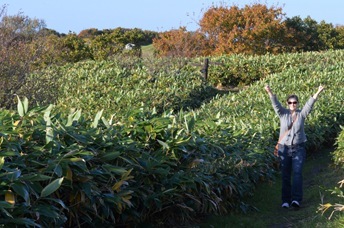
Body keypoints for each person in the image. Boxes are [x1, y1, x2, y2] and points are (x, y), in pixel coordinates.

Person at [264, 85, 324, 208]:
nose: (292, 104)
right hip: (284, 148)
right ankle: (285, 200)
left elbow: (310, 104)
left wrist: (318, 91)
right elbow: (275, 104)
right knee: (285, 175)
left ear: (297, 103)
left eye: (294, 102)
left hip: (299, 148)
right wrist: (269, 91)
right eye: (290, 102)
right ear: (287, 103)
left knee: (297, 173)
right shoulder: (282, 114)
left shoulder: (301, 114)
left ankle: (296, 199)